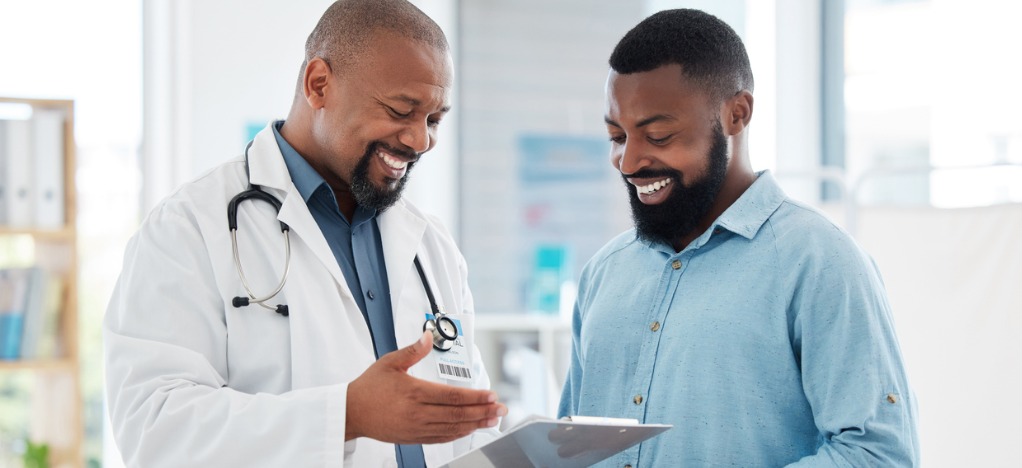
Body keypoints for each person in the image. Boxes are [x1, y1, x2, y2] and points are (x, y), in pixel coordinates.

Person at [104, 1, 506, 466]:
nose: (420, 141)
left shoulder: (433, 248)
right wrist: (346, 415)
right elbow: (154, 428)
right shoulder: (189, 227)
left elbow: (470, 431)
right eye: (401, 110)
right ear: (319, 85)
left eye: (433, 120)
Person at [558, 9, 919, 467]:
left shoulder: (820, 262)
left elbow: (878, 455)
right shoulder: (603, 273)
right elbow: (569, 449)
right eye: (616, 136)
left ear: (736, 113)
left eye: (659, 135)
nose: (628, 163)